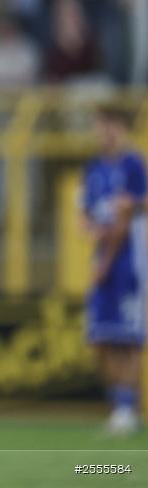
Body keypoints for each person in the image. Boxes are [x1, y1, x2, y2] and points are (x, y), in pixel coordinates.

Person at [81, 105, 146, 436]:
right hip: (102, 257)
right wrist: (91, 228)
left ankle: (127, 408)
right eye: (100, 125)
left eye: (110, 125)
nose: (104, 132)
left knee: (129, 337)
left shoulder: (133, 163)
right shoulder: (92, 167)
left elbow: (129, 212)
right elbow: (86, 214)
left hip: (128, 261)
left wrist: (105, 258)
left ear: (122, 128)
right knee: (102, 336)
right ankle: (120, 403)